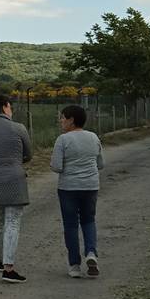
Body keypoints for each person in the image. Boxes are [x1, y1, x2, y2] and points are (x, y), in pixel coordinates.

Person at [0, 93, 32, 283]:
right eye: (10, 106)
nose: (11, 109)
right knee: (13, 222)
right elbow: (28, 154)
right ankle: (9, 268)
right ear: (4, 106)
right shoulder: (18, 128)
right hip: (13, 179)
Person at [51, 104, 105, 279]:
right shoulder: (93, 137)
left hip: (68, 187)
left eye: (63, 117)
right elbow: (100, 164)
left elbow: (57, 167)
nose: (61, 121)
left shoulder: (63, 140)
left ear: (71, 120)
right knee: (89, 220)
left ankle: (74, 265)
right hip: (90, 186)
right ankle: (91, 253)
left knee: (71, 225)